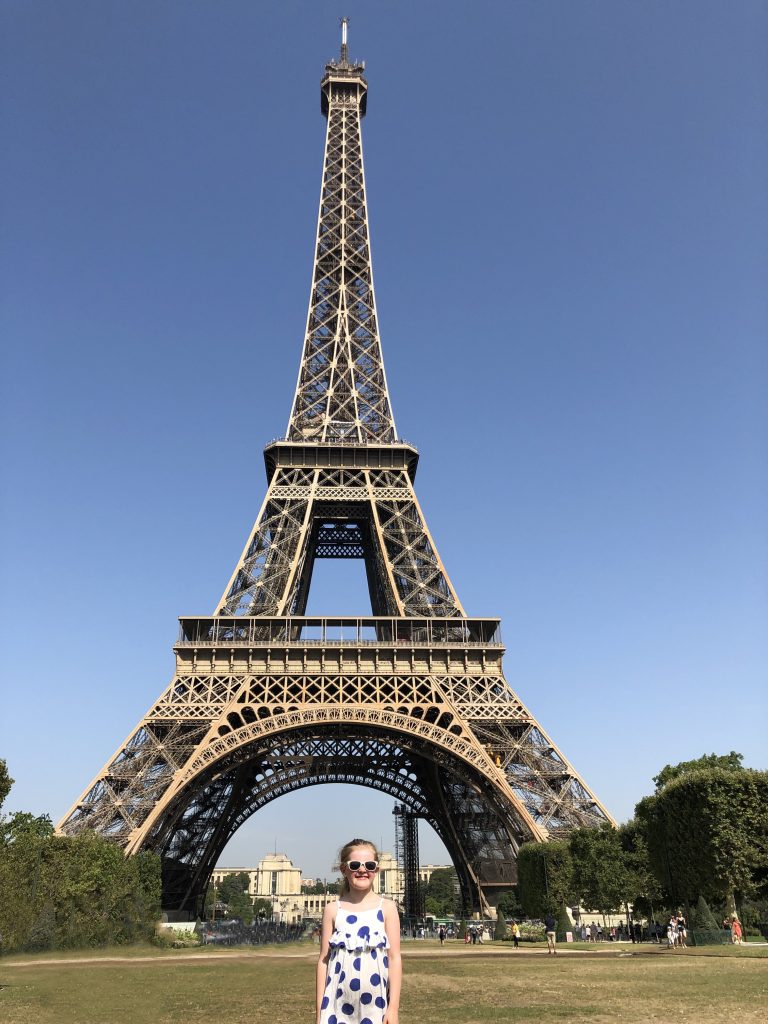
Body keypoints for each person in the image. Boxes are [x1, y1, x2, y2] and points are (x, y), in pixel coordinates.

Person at [317, 838, 402, 1024]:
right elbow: (324, 961)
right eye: (355, 864)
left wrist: (393, 1008)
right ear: (343, 869)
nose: (362, 870)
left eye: (369, 865)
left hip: (377, 1009)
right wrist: (319, 1013)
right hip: (336, 1009)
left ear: (376, 869)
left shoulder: (387, 908)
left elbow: (394, 958)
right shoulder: (333, 909)